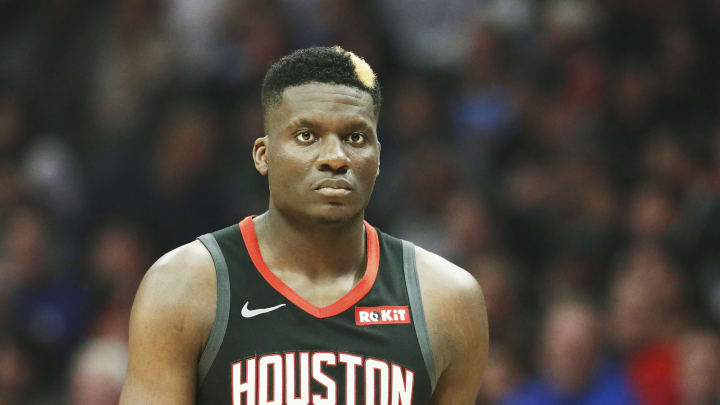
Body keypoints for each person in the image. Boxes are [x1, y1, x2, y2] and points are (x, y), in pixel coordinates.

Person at [119, 46, 488, 404]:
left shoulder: (447, 299)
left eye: (355, 138)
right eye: (306, 136)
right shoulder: (183, 286)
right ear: (263, 155)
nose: (335, 157)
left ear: (377, 159)